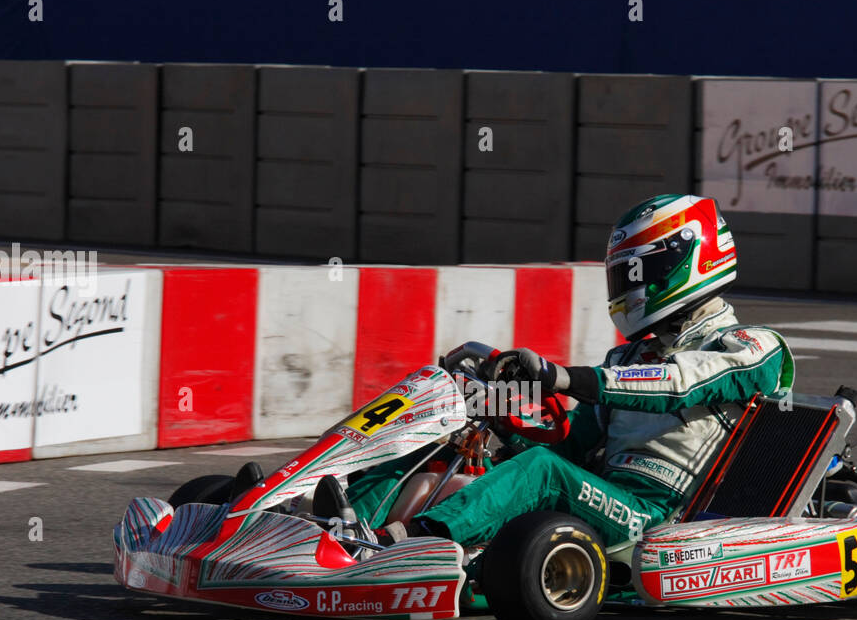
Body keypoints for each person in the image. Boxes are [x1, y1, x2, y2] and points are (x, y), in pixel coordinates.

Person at [331, 194, 795, 548]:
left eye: (639, 273)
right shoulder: (628, 359)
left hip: (656, 517)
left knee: (541, 472)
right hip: (604, 493)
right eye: (623, 276)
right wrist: (489, 405)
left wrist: (563, 376)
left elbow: (680, 383)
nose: (629, 288)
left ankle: (408, 546)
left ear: (687, 262)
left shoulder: (753, 347)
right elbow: (571, 442)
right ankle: (342, 529)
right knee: (440, 442)